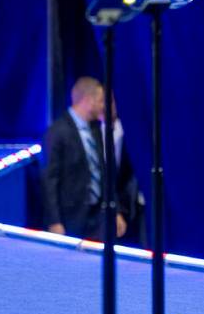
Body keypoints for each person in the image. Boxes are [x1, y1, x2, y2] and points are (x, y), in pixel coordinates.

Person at [42, 77, 138, 242]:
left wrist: (115, 210)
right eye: (101, 101)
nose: (104, 106)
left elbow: (104, 173)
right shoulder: (57, 132)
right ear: (88, 100)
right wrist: (54, 221)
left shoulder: (95, 130)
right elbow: (49, 181)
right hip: (70, 219)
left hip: (97, 218)